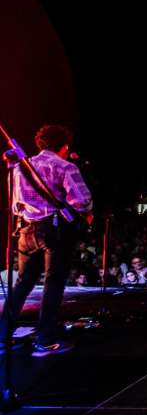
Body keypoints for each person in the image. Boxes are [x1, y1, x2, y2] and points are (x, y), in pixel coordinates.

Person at [0, 125, 93, 357]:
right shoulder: (65, 166)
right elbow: (82, 201)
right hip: (54, 231)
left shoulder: (21, 167)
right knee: (53, 282)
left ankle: (1, 337)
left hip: (25, 230)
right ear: (64, 146)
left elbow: (14, 205)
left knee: (23, 283)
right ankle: (45, 340)